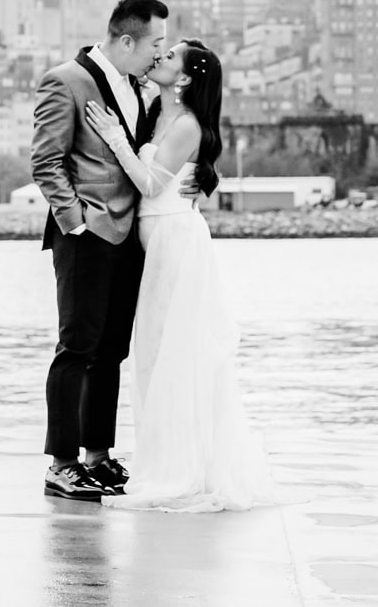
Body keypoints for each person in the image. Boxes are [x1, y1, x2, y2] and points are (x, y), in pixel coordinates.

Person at [82, 37, 279, 512]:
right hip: (156, 241)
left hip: (175, 242)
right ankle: (162, 457)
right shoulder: (157, 110)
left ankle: (180, 468)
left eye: (169, 57)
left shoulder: (188, 124)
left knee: (175, 355)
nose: (159, 58)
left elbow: (151, 183)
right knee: (153, 354)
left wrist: (113, 137)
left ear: (186, 78)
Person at [29, 0, 169, 500]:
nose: (160, 52)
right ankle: (62, 465)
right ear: (126, 40)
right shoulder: (65, 79)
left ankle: (98, 456)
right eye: (156, 42)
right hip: (85, 237)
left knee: (111, 351)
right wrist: (77, 224)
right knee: (77, 349)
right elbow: (46, 162)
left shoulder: (138, 86)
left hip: (131, 236)